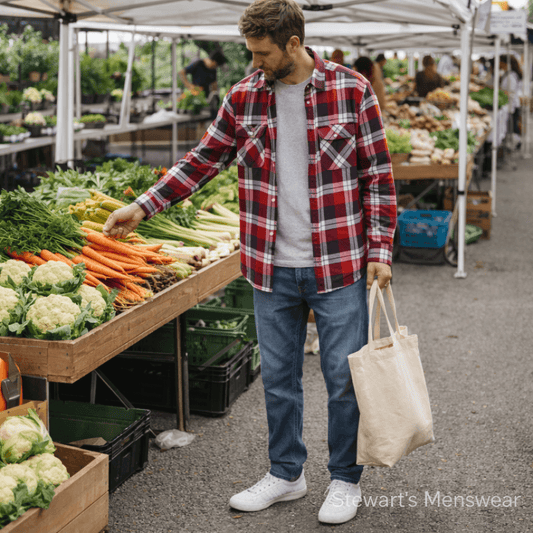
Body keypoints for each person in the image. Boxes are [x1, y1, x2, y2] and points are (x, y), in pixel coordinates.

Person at [103, 0, 396, 526]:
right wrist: (142, 205)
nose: (255, 63)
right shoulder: (243, 97)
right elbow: (202, 161)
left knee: (343, 380)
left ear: (293, 44)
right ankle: (287, 474)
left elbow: (377, 176)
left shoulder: (352, 89)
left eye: (263, 53)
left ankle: (345, 480)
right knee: (279, 380)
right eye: (250, 53)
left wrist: (380, 251)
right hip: (269, 266)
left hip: (339, 264)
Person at [179, 48, 227, 118]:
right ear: (213, 61)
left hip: (205, 99)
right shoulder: (198, 63)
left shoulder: (213, 70)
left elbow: (214, 85)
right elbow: (181, 72)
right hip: (195, 96)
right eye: (216, 65)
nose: (216, 67)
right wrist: (189, 86)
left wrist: (214, 96)